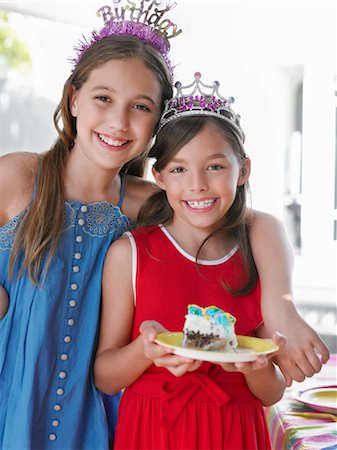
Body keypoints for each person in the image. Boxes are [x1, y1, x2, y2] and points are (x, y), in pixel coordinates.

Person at [0, 1, 178, 448]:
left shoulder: (151, 206)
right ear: (74, 97)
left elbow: (248, 221)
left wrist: (284, 309)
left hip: (93, 419)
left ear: (157, 122)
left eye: (140, 106)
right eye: (103, 98)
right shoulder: (18, 177)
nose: (118, 121)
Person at [94, 73, 288, 449]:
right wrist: (144, 350)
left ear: (243, 170)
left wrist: (258, 367)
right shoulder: (129, 254)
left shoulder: (256, 252)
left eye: (215, 166)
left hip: (236, 430)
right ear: (159, 176)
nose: (197, 184)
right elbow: (105, 376)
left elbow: (272, 393)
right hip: (153, 430)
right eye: (179, 169)